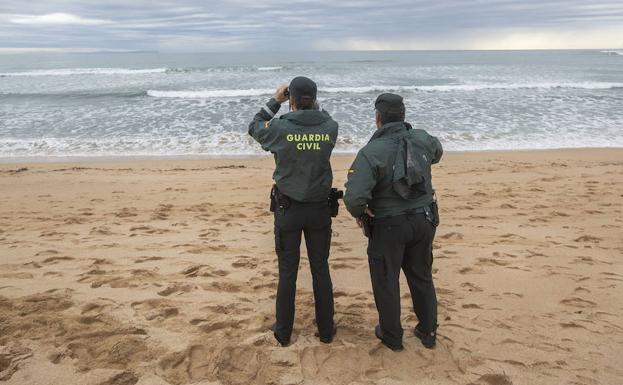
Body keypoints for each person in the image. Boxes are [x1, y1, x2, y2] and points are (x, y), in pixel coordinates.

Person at [343, 93, 443, 351]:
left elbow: (354, 198)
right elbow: (437, 152)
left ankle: (392, 335)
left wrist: (361, 213)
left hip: (388, 225)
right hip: (424, 220)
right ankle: (428, 331)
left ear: (378, 118)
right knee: (421, 275)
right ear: (403, 116)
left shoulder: (370, 152)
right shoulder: (421, 138)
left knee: (386, 280)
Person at [248, 76, 339, 347]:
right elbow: (323, 117)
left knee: (288, 270)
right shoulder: (329, 127)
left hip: (288, 209)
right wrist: (308, 102)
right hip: (319, 209)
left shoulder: (279, 128)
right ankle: (325, 330)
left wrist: (277, 100)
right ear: (314, 98)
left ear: (292, 100)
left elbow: (254, 126)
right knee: (320, 268)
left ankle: (284, 331)